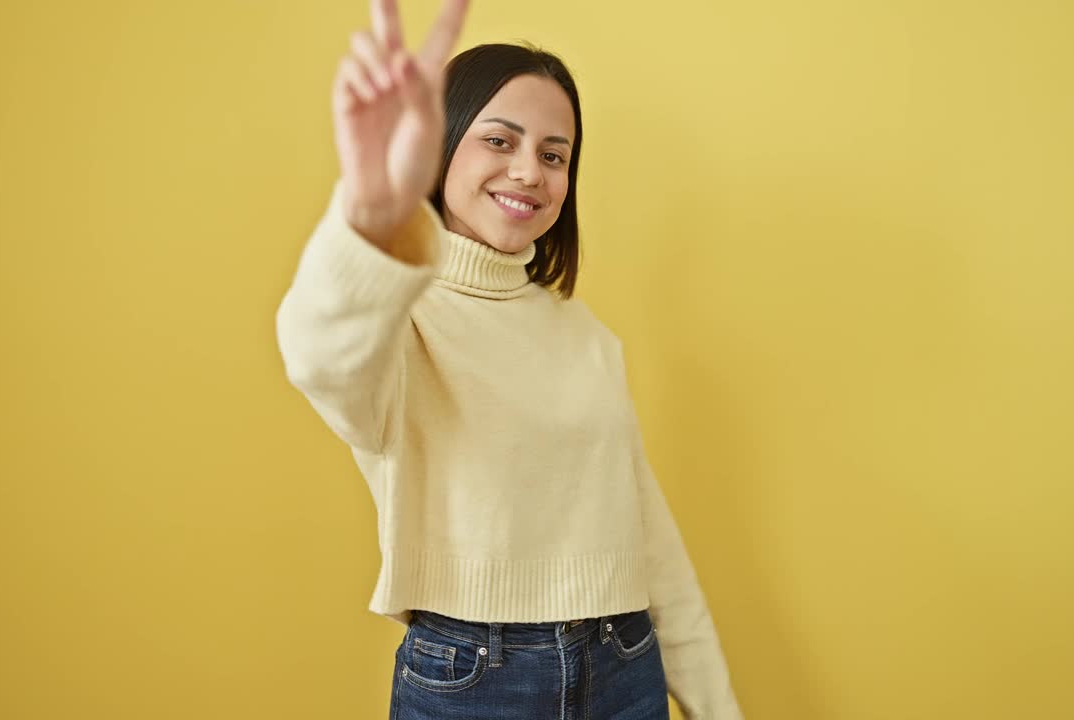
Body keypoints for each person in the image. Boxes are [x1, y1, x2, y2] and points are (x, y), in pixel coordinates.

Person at [274, 1, 744, 717]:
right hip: (474, 679)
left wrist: (716, 705)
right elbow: (320, 358)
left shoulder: (586, 336)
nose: (530, 171)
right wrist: (372, 215)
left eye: (555, 155)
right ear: (441, 145)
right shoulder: (396, 315)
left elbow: (645, 536)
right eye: (500, 141)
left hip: (625, 663)